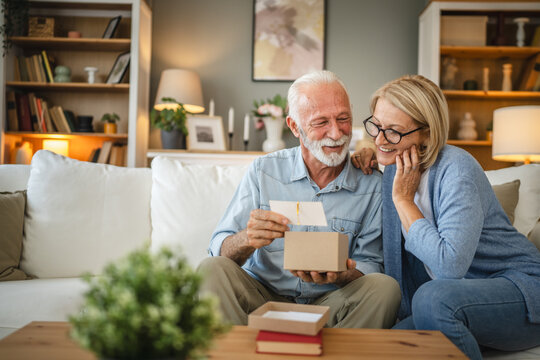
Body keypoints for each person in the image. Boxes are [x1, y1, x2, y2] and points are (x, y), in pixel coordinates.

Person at [352, 74, 540, 359]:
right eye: (376, 126)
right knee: (385, 347)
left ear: (427, 133)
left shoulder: (457, 170)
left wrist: (403, 200)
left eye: (393, 131)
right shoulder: (393, 169)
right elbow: (396, 262)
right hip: (460, 303)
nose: (380, 139)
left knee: (431, 297)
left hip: (521, 293)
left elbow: (449, 268)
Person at [198, 70, 400, 329]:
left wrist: (343, 273)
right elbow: (218, 249)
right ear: (295, 126)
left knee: (385, 288)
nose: (337, 133)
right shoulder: (264, 171)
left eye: (343, 119)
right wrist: (247, 238)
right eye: (321, 122)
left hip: (331, 303)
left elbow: (372, 264)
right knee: (212, 269)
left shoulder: (371, 182)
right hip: (262, 297)